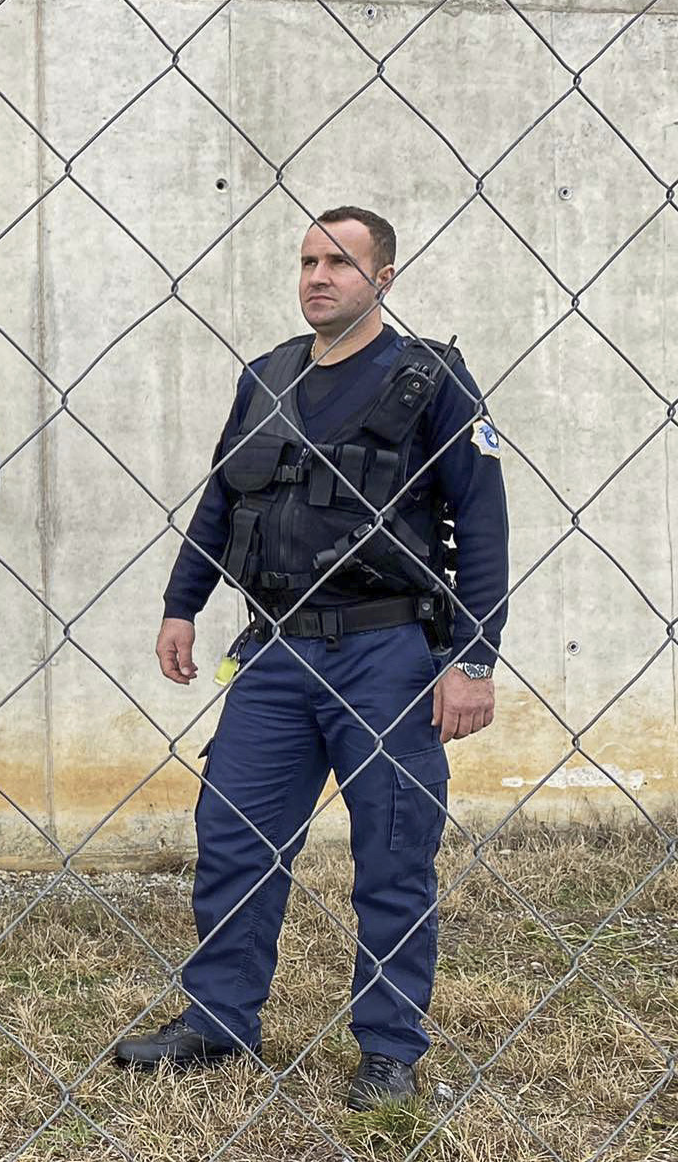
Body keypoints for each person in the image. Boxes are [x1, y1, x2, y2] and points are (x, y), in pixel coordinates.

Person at [114, 207, 509, 1110]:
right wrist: (183, 606)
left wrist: (475, 659)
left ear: (385, 278)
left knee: (393, 853)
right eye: (306, 261)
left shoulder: (429, 382)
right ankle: (218, 1023)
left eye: (339, 261)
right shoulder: (265, 378)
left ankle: (389, 1048)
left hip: (386, 651)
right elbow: (219, 503)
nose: (318, 276)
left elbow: (483, 526)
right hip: (275, 654)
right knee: (233, 840)